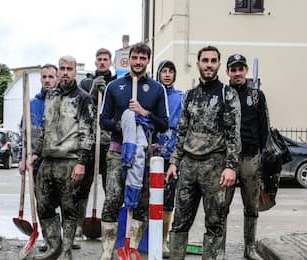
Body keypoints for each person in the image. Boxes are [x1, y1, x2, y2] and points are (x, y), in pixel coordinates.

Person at [165, 45, 241, 259]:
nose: (209, 64)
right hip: (188, 166)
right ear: (198, 63)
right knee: (179, 222)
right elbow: (181, 131)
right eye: (205, 60)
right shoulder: (189, 96)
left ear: (218, 64)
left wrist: (230, 167)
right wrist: (173, 162)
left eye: (213, 61)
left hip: (215, 167)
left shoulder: (228, 95)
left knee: (215, 223)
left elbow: (234, 134)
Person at [99, 42, 169, 259]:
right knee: (112, 199)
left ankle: (132, 248)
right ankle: (107, 250)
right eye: (135, 57)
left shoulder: (157, 89)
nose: (138, 62)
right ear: (129, 59)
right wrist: (126, 123)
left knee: (140, 202)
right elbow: (104, 121)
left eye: (143, 58)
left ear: (148, 61)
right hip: (117, 152)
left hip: (144, 154)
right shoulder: (114, 87)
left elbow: (164, 124)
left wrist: (144, 114)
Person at [32, 55, 94, 260]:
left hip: (70, 160)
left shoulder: (83, 98)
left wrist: (81, 163)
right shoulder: (50, 95)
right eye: (62, 68)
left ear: (76, 71)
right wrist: (34, 152)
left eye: (69, 68)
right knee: (43, 205)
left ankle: (66, 251)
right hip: (48, 160)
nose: (65, 72)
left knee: (69, 208)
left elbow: (87, 132)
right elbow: (44, 128)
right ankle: (53, 247)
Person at [220, 54, 268, 260]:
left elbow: (264, 127)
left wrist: (262, 157)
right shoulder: (222, 94)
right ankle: (219, 249)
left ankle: (249, 248)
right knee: (222, 206)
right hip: (226, 159)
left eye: (241, 69)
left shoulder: (257, 96)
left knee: (251, 205)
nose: (237, 73)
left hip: (250, 157)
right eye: (233, 69)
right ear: (228, 72)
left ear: (246, 70)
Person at [74, 48, 117, 248]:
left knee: (111, 187)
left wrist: (107, 89)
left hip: (109, 142)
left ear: (110, 62)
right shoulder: (85, 83)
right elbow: (81, 106)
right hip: (90, 142)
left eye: (105, 60)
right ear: (95, 62)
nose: (102, 63)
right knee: (83, 187)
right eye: (99, 59)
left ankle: (110, 228)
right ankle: (78, 227)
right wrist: (92, 92)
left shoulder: (117, 84)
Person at [17, 63, 58, 252]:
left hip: (58, 161)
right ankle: (48, 239)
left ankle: (62, 238)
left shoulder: (61, 102)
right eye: (45, 77)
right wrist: (22, 157)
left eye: (51, 77)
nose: (48, 80)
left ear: (56, 79)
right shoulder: (32, 104)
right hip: (36, 163)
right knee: (42, 203)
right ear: (41, 79)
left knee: (61, 201)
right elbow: (23, 134)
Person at [154, 60, 184, 258]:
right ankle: (146, 236)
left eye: (170, 71)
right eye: (163, 71)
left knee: (168, 198)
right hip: (152, 151)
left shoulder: (181, 97)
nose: (167, 74)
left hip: (172, 153)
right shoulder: (151, 94)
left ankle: (163, 240)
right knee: (148, 197)